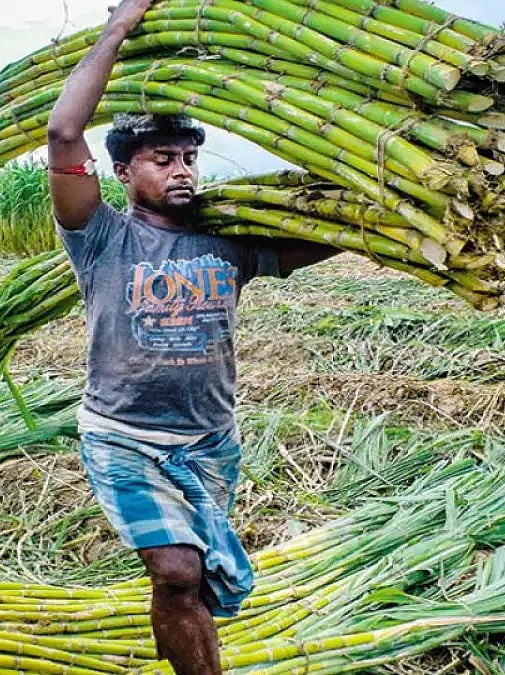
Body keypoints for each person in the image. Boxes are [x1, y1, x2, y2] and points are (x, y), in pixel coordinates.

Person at [46, 1, 340, 672]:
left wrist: (389, 225)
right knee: (176, 568)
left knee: (192, 580)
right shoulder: (102, 236)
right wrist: (118, 27)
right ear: (123, 173)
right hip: (125, 436)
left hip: (210, 437)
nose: (181, 170)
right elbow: (66, 133)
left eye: (189, 157)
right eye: (161, 159)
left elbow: (328, 235)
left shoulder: (227, 241)